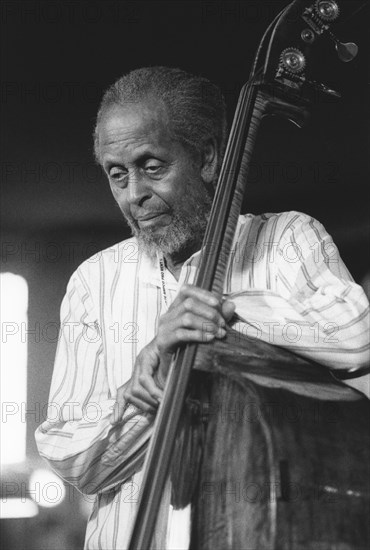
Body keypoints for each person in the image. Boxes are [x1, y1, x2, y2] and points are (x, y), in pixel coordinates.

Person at [35, 66, 370, 549]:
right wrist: (150, 395)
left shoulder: (288, 238)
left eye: (152, 167)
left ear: (208, 157)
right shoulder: (93, 280)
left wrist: (226, 311)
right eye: (117, 174)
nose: (135, 195)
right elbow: (74, 461)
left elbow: (357, 335)